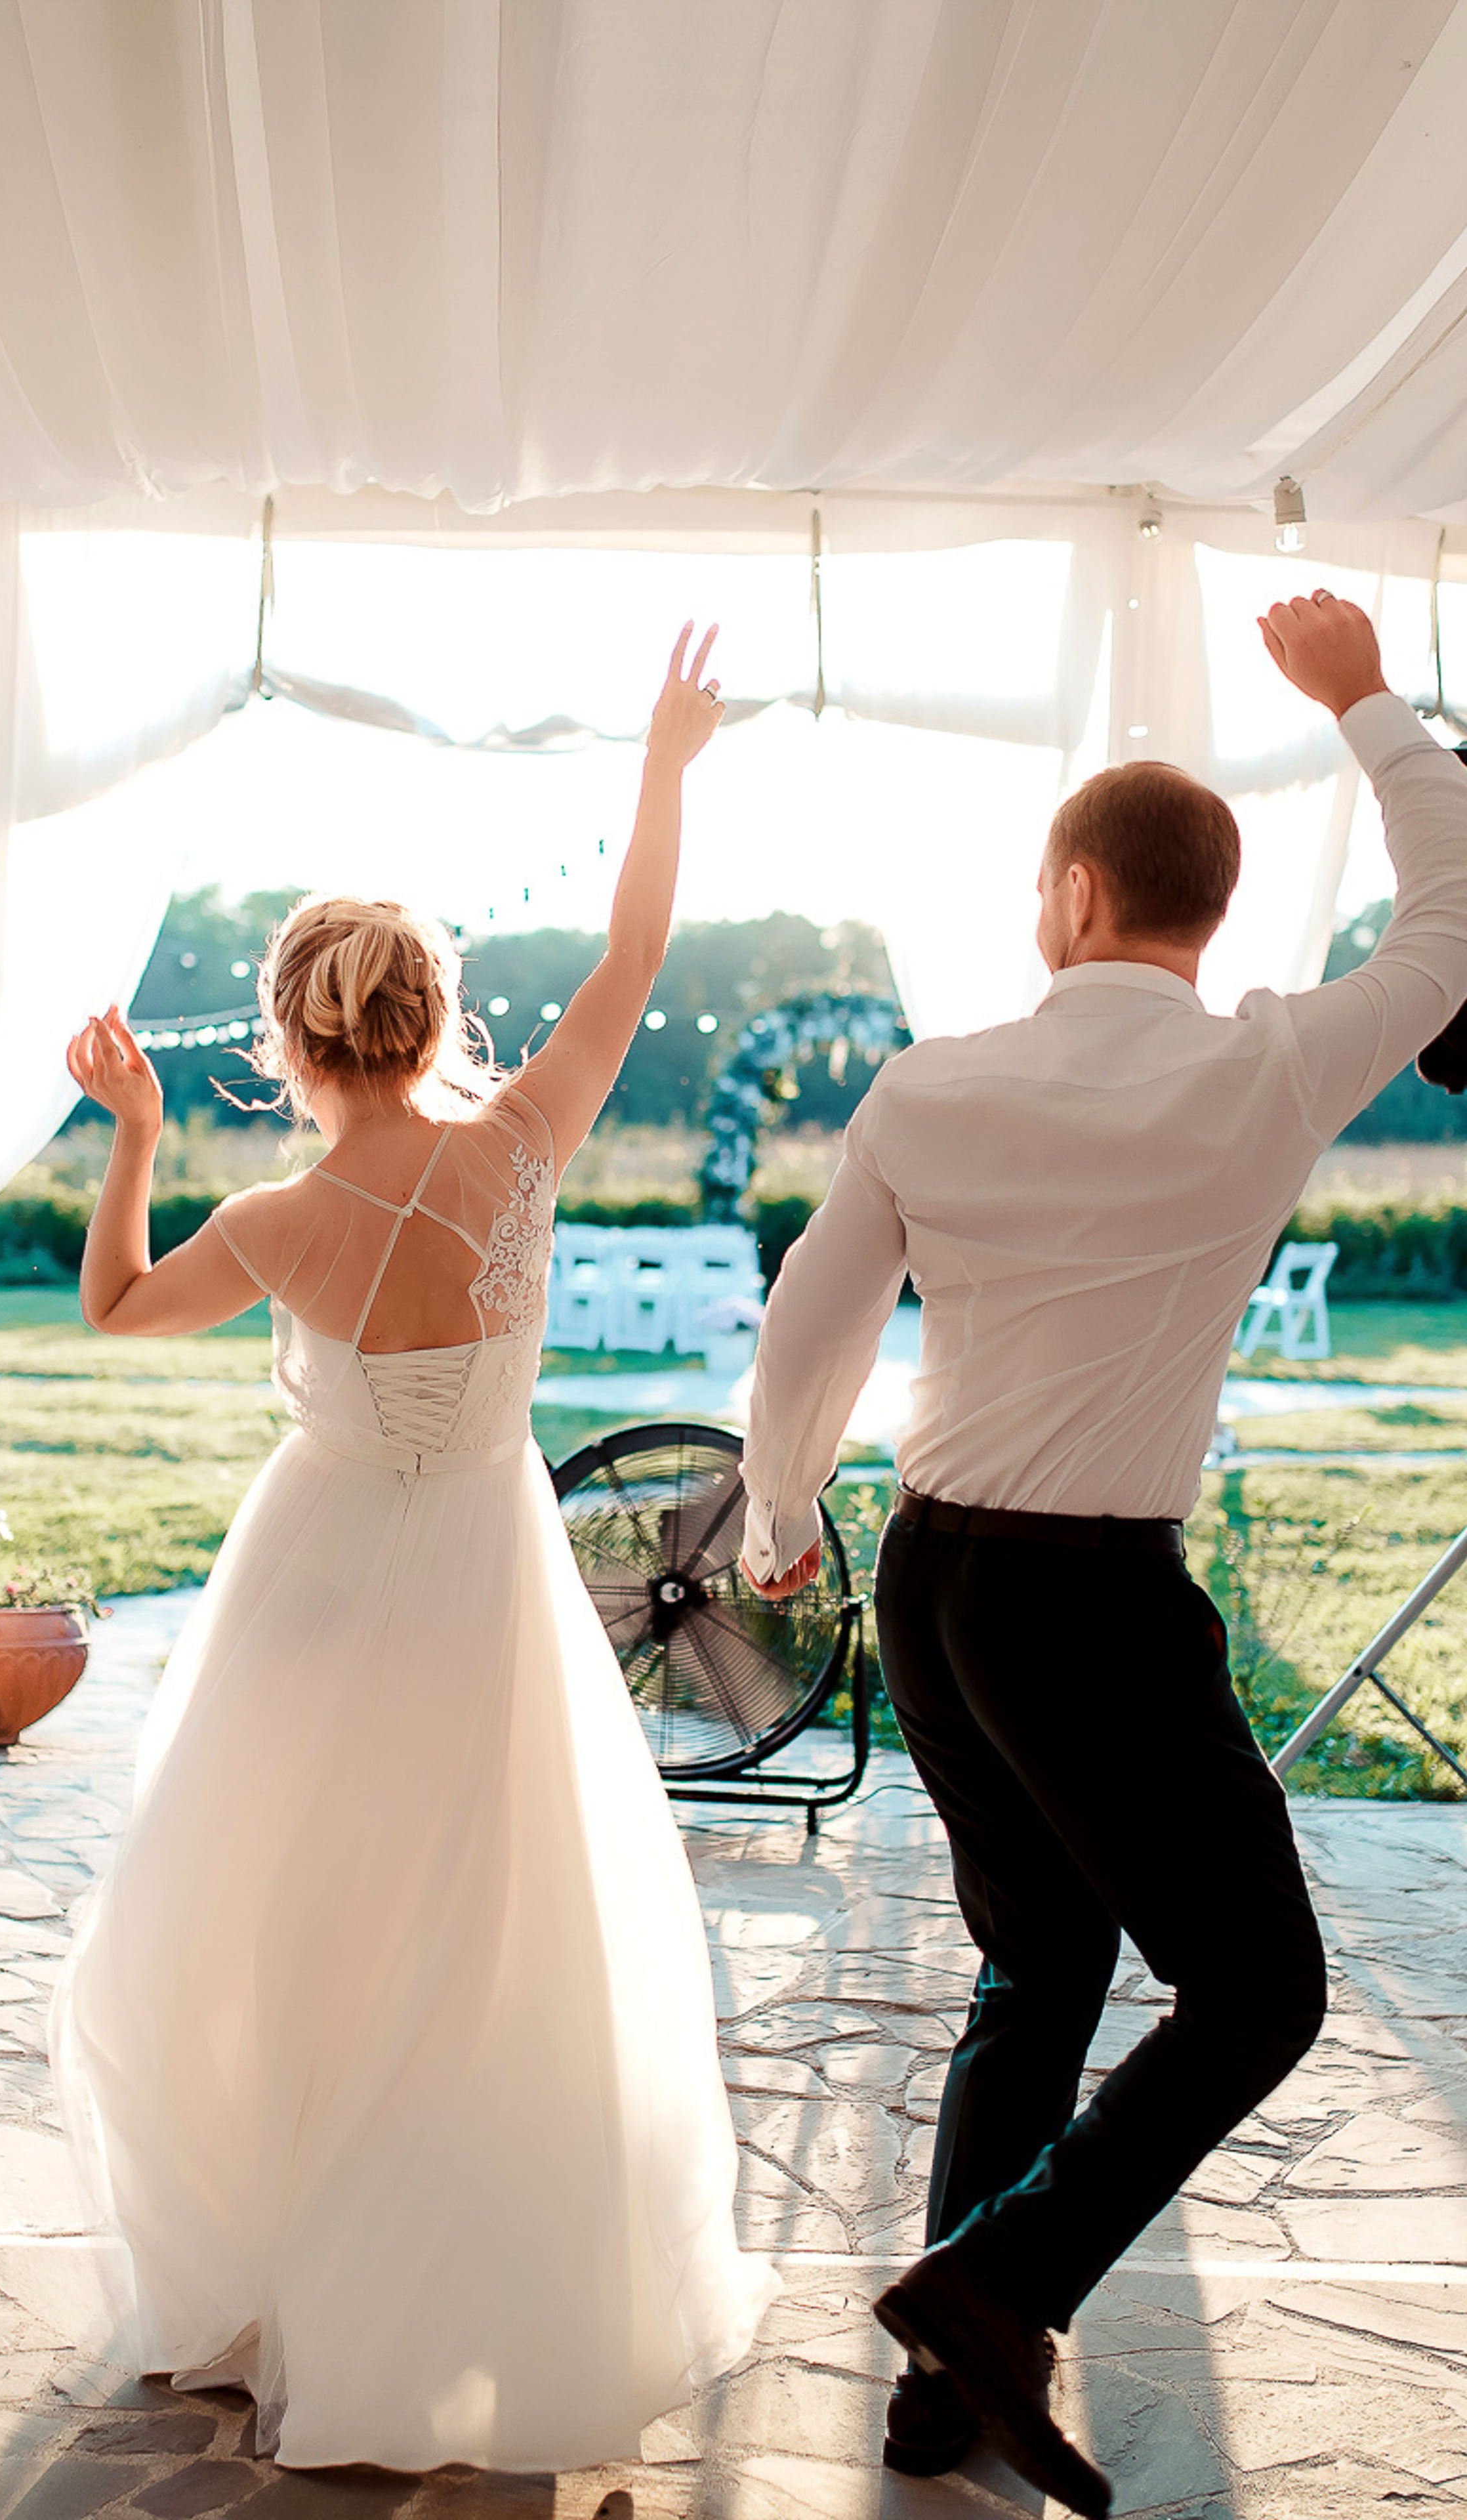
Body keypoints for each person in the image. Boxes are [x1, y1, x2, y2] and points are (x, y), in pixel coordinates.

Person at [738, 593, 1467, 2520]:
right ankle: (994, 2292)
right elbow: (1455, 924)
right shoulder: (1271, 1070)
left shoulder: (929, 1085)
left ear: (1070, 894)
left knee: (1041, 1961)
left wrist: (786, 1512)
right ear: (1212, 914)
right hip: (1094, 1604)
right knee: (1259, 1991)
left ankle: (950, 2365)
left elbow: (814, 1318)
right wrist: (1364, 701)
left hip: (936, 1583)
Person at [49, 624, 778, 2475]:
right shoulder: (525, 1145)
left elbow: (112, 1305)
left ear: (293, 1043)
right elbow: (631, 956)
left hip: (310, 1588)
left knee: (282, 1921)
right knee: (481, 1929)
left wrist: (135, 1131)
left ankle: (290, 2275)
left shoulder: (274, 1219)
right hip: (484, 1584)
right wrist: (665, 762)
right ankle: (438, 2286)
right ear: (436, 1024)